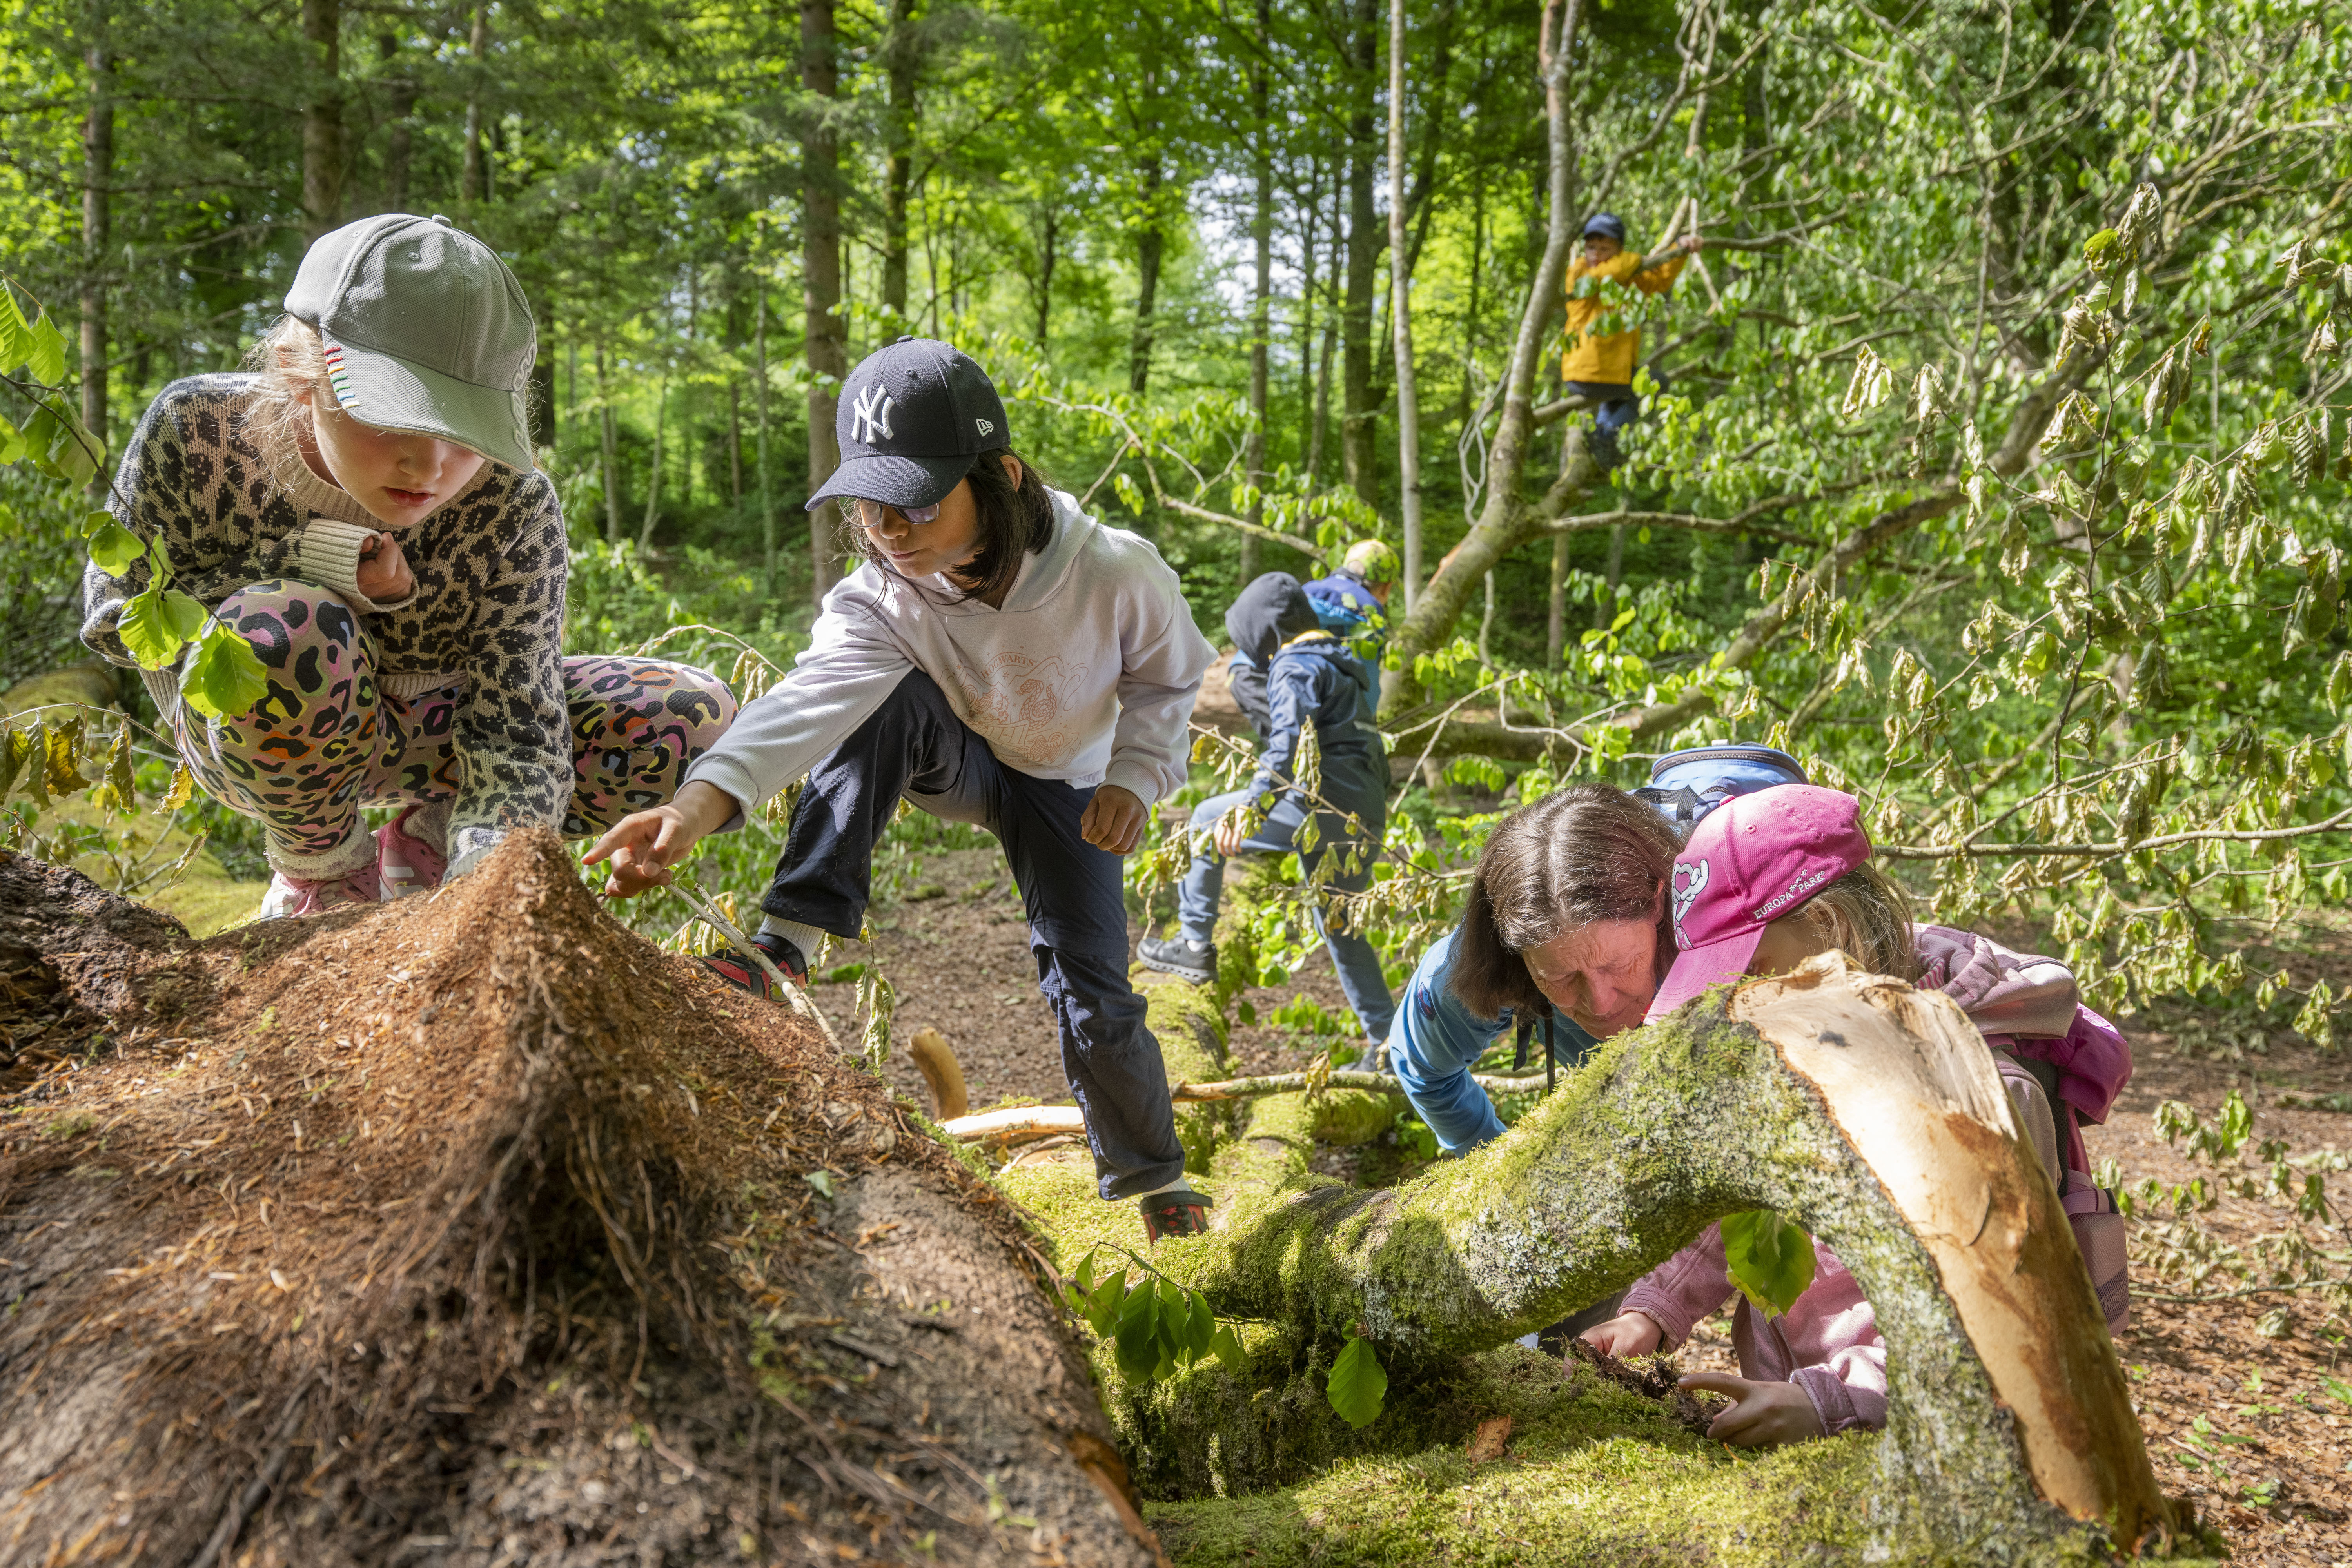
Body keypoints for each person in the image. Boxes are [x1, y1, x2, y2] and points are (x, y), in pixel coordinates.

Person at [582, 336, 1221, 1241]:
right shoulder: (883, 597)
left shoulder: (1113, 570)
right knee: (881, 698)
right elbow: (806, 704)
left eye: (914, 501)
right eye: (868, 504)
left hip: (1070, 789)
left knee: (1092, 987)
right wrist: (694, 805)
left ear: (997, 474)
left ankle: (1156, 1181)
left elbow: (1168, 680)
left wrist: (1136, 777)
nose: (888, 527)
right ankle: (784, 945)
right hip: (956, 757)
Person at [80, 213, 737, 916]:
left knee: (693, 721)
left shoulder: (514, 503)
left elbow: (518, 722)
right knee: (283, 628)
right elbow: (119, 617)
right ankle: (322, 872)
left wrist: (490, 878)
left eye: (464, 432)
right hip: (268, 734)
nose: (428, 468)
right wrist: (318, 567)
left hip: (443, 735)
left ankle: (426, 846)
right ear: (305, 377)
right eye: (395, 420)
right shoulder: (199, 431)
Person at [1546, 786, 2130, 1447]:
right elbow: (1744, 1202)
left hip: (1935, 1436)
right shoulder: (1811, 1029)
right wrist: (1655, 1308)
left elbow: (2003, 1318)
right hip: (1799, 1397)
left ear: (1827, 927)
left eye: (1752, 969)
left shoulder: (1979, 1091)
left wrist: (1834, 1400)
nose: (1737, 1003)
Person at [1387, 742, 1811, 1152]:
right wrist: (1488, 1166)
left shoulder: (1751, 918)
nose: (1601, 1002)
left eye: (1620, 964)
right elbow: (1424, 1068)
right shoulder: (1479, 961)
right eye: (1560, 977)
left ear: (1659, 902)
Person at [1138, 572, 1394, 1049]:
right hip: (1364, 810)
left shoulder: (1295, 665)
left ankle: (1194, 946)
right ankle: (1388, 1043)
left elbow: (1285, 747)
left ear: (1268, 630)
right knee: (1338, 925)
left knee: (1203, 820)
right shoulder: (1343, 663)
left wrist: (1250, 810)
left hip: (1321, 806)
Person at [1561, 213, 1702, 470]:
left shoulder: (1626, 279)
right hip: (1587, 374)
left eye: (1605, 248)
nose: (1596, 254)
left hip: (1609, 376)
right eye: (1591, 247)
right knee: (1657, 383)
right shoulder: (1580, 274)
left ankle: (1604, 437)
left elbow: (1657, 280)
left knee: (1624, 392)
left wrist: (1680, 250)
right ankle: (1609, 435)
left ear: (1618, 249)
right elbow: (1607, 274)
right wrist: (1635, 260)